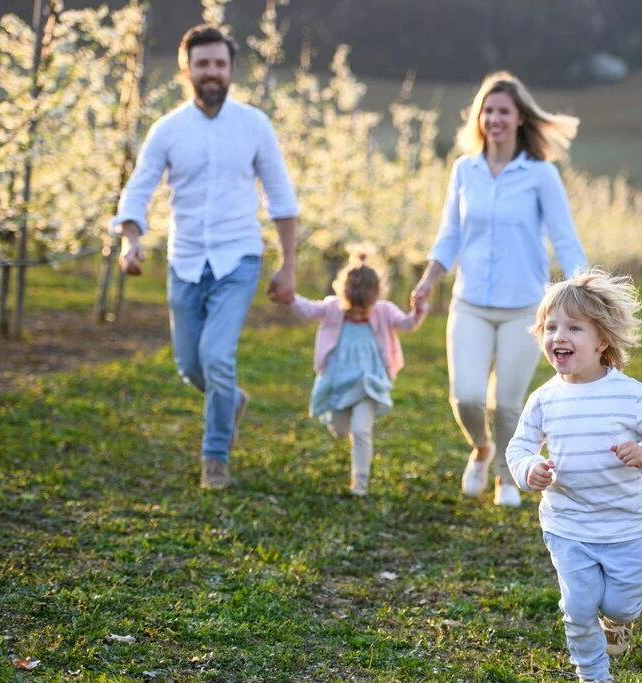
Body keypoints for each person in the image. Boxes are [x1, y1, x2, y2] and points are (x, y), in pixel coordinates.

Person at [111, 25, 300, 489]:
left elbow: (281, 197)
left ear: (231, 69)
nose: (211, 72)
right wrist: (129, 239)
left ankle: (215, 459)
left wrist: (288, 264)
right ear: (186, 70)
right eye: (203, 64)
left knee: (216, 357)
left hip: (239, 259)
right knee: (190, 366)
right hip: (186, 261)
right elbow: (138, 189)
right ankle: (230, 400)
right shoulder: (168, 129)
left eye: (219, 64)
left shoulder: (254, 125)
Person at [410, 71, 587, 508]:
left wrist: (585, 288)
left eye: (503, 111)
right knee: (467, 398)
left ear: (520, 117)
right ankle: (482, 448)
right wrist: (428, 280)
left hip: (524, 307)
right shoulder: (464, 170)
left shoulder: (540, 174)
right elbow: (450, 234)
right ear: (478, 117)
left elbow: (564, 238)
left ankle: (507, 476)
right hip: (469, 303)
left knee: (507, 405)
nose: (495, 119)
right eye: (487, 111)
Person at [506, 268, 642, 683]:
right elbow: (519, 446)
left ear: (602, 340)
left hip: (626, 525)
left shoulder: (629, 393)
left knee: (621, 604)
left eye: (573, 328)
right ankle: (592, 673)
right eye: (551, 327)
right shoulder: (544, 398)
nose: (558, 336)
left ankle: (619, 621)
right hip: (568, 524)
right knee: (579, 607)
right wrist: (529, 468)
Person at [290, 253, 427, 496]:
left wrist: (418, 311)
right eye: (353, 310)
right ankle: (344, 430)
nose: (358, 314)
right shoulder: (333, 308)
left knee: (361, 430)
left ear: (375, 298)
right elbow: (307, 309)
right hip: (338, 382)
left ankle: (360, 482)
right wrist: (288, 297)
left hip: (369, 383)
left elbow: (407, 324)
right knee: (341, 429)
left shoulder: (384, 311)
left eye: (363, 310)